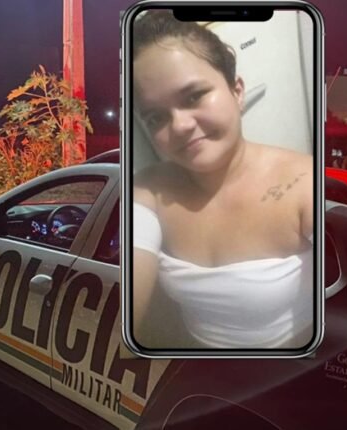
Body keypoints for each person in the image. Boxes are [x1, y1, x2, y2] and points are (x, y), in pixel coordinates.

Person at [131, 11, 313, 349]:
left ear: (237, 91)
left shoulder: (305, 182)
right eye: (155, 117)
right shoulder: (147, 191)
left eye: (193, 96)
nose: (180, 126)